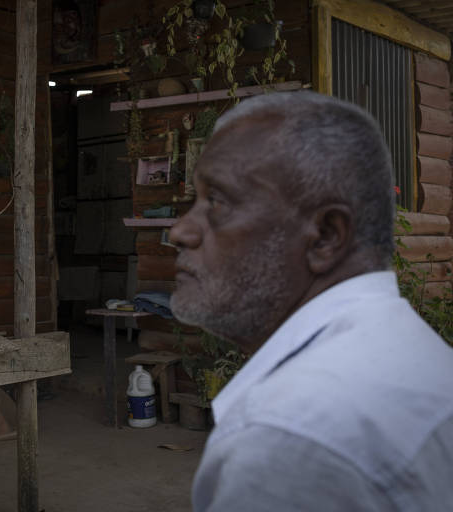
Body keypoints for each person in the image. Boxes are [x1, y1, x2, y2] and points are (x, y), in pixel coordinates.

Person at [168, 92, 453, 511]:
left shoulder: (290, 437)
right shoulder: (414, 352)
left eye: (218, 201)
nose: (180, 231)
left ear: (326, 236)